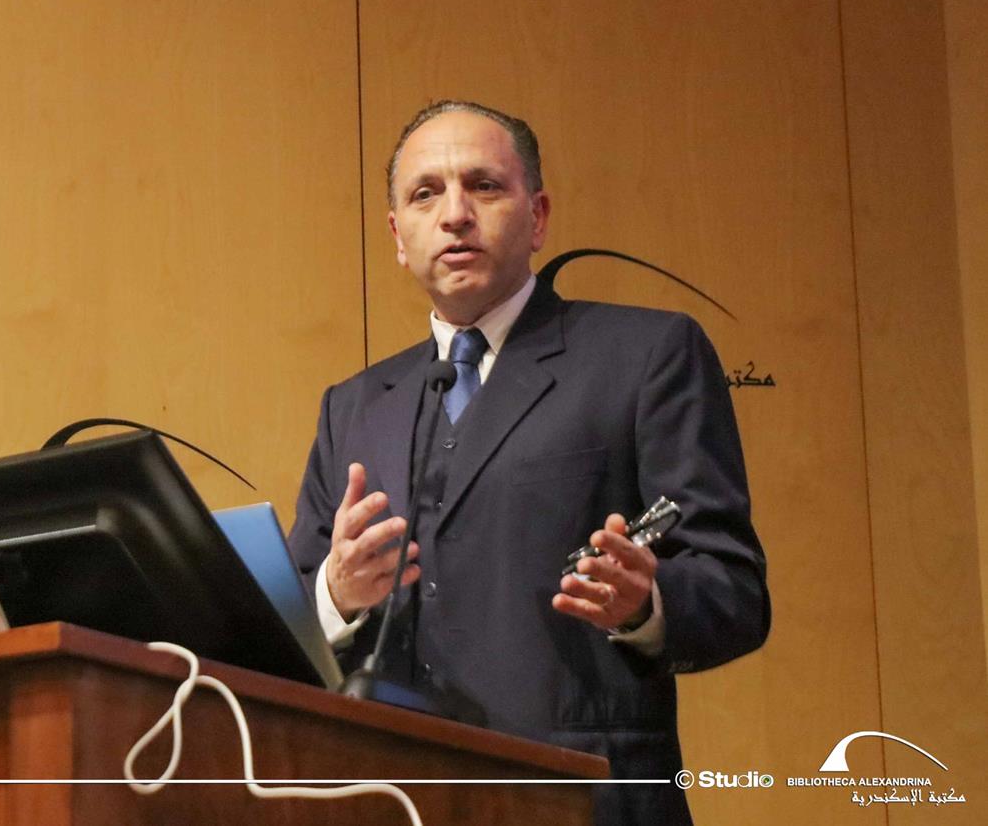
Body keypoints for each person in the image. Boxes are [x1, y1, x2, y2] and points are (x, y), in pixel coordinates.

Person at [287, 100, 770, 826]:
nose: (454, 214)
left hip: (584, 797)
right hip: (392, 798)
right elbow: (290, 616)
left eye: (483, 186)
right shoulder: (353, 407)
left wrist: (645, 603)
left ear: (538, 217)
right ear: (397, 236)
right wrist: (337, 595)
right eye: (425, 194)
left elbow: (734, 592)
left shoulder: (645, 356)